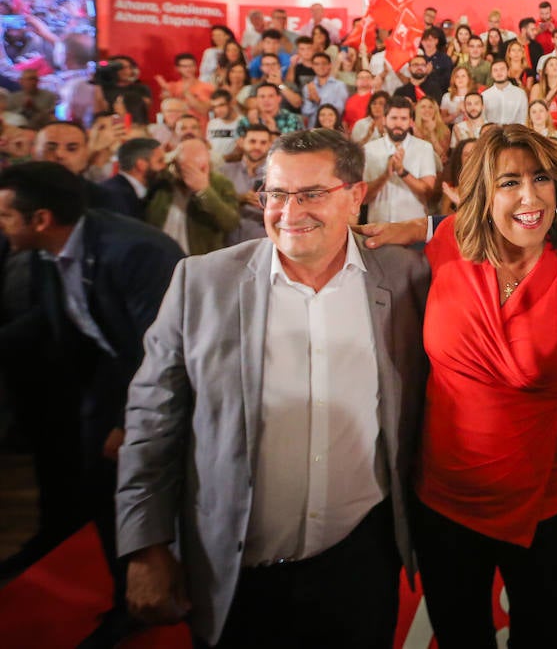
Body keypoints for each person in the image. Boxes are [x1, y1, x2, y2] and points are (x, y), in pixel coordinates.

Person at [116, 130, 429, 648]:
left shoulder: (405, 277)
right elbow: (151, 422)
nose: (289, 211)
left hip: (358, 562)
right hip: (231, 571)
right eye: (276, 193)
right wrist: (145, 545)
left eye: (311, 194)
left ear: (355, 197)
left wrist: (424, 223)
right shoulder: (200, 283)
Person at [415, 126, 557, 647]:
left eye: (543, 179)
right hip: (445, 505)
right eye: (510, 182)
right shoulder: (446, 243)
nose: (531, 197)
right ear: (483, 193)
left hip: (548, 505)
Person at [0, 162, 183, 647]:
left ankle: (153, 593)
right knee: (100, 488)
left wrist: (130, 424)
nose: (1, 225)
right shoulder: (52, 247)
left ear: (40, 219)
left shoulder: (135, 251)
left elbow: (164, 350)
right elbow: (57, 320)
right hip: (108, 380)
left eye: (5, 215)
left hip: (155, 390)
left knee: (138, 488)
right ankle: (128, 589)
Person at [145, 137, 240, 255]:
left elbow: (231, 223)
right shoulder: (164, 179)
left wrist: (204, 191)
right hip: (159, 256)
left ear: (205, 167)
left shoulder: (221, 184)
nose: (180, 173)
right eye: (179, 167)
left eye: (190, 170)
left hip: (196, 260)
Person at [364, 97, 438, 222]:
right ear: (384, 120)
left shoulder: (424, 148)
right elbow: (363, 198)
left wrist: (402, 172)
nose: (398, 124)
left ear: (411, 122)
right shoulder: (369, 149)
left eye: (403, 119)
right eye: (393, 118)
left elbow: (427, 194)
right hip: (378, 228)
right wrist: (386, 175)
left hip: (413, 231)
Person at [98, 137, 164, 220]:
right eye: (160, 161)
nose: (164, 166)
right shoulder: (117, 197)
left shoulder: (120, 189)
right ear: (141, 165)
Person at [300, 52, 350, 127]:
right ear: (312, 66)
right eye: (316, 64)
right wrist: (311, 101)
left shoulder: (339, 86)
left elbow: (339, 110)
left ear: (330, 65)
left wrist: (319, 101)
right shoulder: (308, 87)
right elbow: (306, 112)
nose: (320, 67)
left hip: (331, 130)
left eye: (324, 64)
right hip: (313, 129)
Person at [480, 61, 528, 126]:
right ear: (491, 74)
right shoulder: (485, 95)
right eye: (495, 70)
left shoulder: (520, 94)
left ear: (508, 71)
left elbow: (523, 119)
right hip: (492, 133)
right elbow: (483, 119)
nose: (499, 73)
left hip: (514, 133)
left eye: (502, 69)